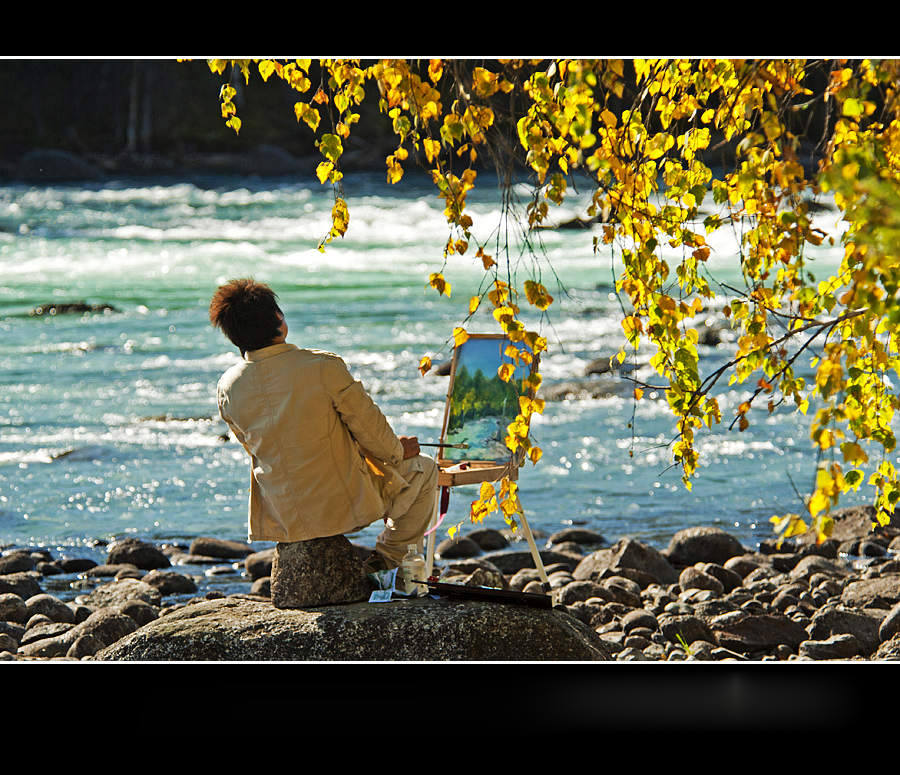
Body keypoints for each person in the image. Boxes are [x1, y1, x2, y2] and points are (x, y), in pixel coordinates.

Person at [209, 277, 438, 571]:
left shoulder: (227, 386)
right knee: (425, 468)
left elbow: (253, 446)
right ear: (279, 320)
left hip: (283, 514)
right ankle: (389, 563)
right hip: (338, 506)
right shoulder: (323, 366)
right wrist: (397, 451)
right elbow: (372, 432)